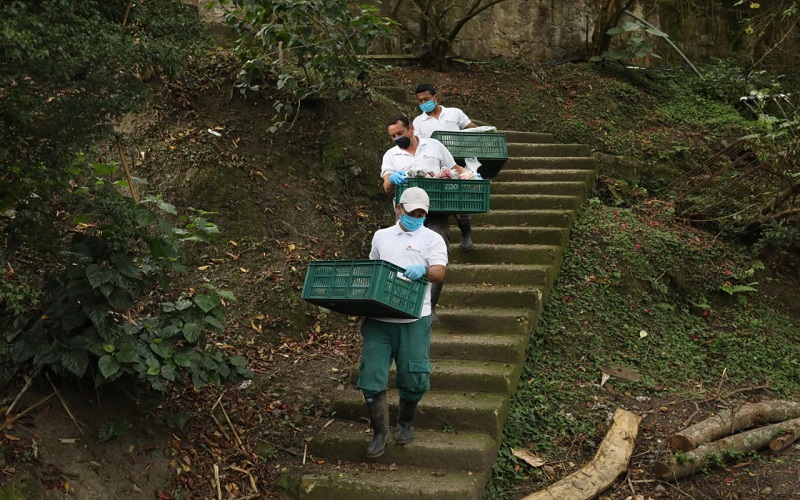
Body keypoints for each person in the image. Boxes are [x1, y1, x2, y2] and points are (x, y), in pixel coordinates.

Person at [357, 187, 448, 458]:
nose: (416, 217)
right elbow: (374, 268)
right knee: (371, 377)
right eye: (412, 212)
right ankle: (380, 432)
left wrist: (425, 270)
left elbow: (440, 272)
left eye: (421, 214)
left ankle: (406, 422)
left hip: (413, 317)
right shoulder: (381, 236)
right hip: (379, 318)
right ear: (399, 209)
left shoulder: (432, 239)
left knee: (413, 377)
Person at [380, 114, 468, 323]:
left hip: (435, 209)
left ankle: (431, 306)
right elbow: (386, 187)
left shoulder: (434, 146)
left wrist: (470, 175)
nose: (397, 139)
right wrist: (392, 179)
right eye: (393, 136)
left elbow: (455, 168)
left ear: (411, 128)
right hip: (405, 211)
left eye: (400, 133)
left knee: (437, 255)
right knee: (405, 256)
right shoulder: (391, 155)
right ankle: (405, 302)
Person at [412, 83, 478, 252]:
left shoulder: (454, 113)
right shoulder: (418, 122)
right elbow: (418, 147)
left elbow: (473, 130)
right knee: (444, 203)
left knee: (463, 207)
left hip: (458, 167)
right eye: (420, 101)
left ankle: (465, 232)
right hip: (436, 172)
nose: (423, 103)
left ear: (436, 97)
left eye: (426, 99)